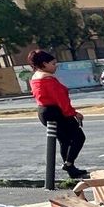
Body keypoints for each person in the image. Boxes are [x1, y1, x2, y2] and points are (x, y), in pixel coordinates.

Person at [28, 49, 87, 179]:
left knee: (64, 141)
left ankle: (71, 168)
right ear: (44, 64)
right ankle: (69, 163)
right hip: (56, 112)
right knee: (79, 137)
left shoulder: (35, 77)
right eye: (53, 64)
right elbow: (61, 100)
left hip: (43, 111)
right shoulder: (48, 79)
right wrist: (74, 113)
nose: (55, 66)